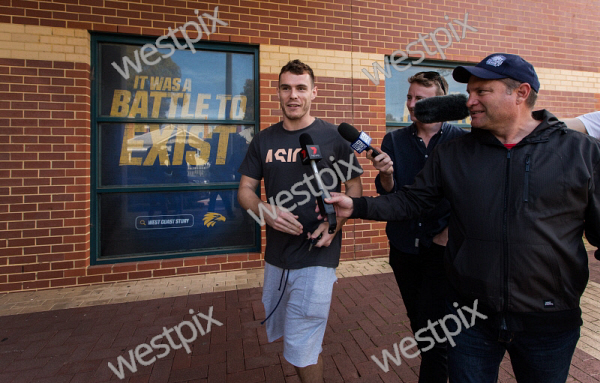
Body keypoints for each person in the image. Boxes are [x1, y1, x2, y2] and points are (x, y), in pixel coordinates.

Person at [324, 53, 600, 382]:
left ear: (521, 93)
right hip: (469, 320)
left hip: (549, 322)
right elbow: (412, 201)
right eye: (468, 93)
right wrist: (356, 207)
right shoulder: (453, 153)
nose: (469, 101)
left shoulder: (580, 152)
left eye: (481, 92)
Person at [237, 59, 362, 383]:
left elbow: (354, 189)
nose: (293, 95)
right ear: (278, 92)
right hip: (277, 256)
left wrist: (335, 225)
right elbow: (246, 191)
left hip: (318, 254)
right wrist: (264, 210)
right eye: (286, 88)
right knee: (288, 333)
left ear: (313, 92)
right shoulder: (263, 140)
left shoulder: (334, 137)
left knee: (302, 340)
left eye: (301, 88)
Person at [367, 71, 466, 382]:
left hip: (444, 251)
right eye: (409, 97)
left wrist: (448, 233)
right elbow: (389, 194)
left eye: (419, 99)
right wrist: (385, 174)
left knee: (435, 326)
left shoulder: (462, 140)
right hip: (404, 248)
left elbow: (472, 195)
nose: (411, 104)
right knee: (420, 321)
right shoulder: (394, 139)